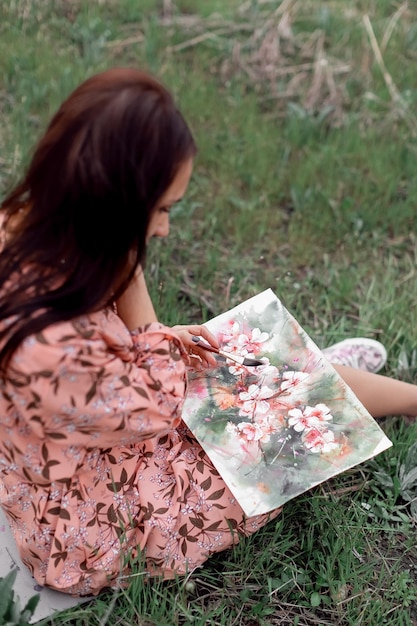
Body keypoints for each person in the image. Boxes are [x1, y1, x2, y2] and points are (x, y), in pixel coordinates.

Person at [0, 68, 416, 597]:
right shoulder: (53, 348)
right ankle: (362, 393)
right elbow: (156, 404)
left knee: (255, 370)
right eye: (161, 209)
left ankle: (329, 381)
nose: (164, 229)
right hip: (93, 527)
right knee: (283, 409)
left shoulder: (19, 226)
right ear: (109, 205)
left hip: (74, 458)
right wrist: (140, 297)